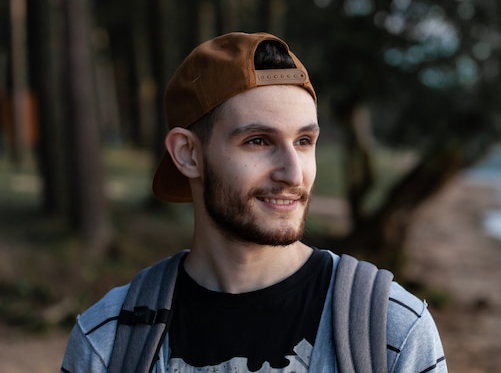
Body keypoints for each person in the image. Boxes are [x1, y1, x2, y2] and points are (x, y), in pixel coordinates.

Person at [60, 31, 447, 373]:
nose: (293, 174)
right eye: (258, 141)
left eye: (304, 141)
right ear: (188, 154)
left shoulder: (391, 330)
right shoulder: (108, 340)